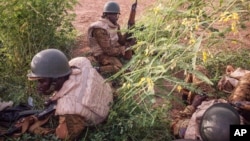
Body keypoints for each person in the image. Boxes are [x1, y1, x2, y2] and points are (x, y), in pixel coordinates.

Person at [27, 49, 113, 140]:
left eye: (42, 81)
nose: (38, 86)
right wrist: (55, 97)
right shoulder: (80, 63)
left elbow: (63, 136)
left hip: (103, 114)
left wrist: (35, 130)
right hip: (108, 92)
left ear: (56, 80)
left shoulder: (69, 108)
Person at [87, 1, 132, 74]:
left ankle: (125, 61)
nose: (116, 17)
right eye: (114, 15)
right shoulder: (100, 29)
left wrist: (129, 32)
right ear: (107, 15)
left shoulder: (114, 25)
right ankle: (97, 69)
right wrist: (123, 49)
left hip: (112, 49)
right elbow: (108, 51)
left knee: (130, 48)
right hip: (101, 54)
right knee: (118, 68)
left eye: (117, 15)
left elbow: (121, 40)